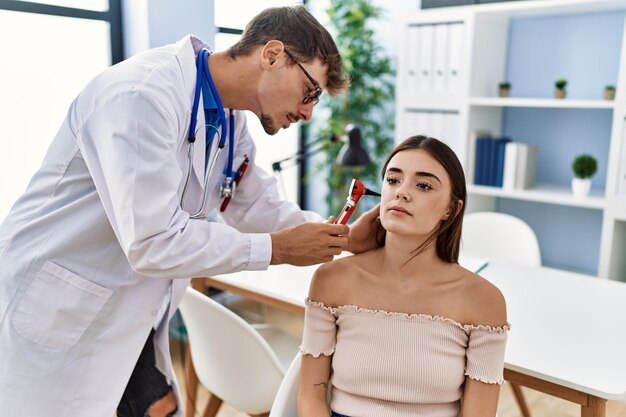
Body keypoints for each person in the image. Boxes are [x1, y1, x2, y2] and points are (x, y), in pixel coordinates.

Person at [0, 6, 381, 417]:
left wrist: (339, 237)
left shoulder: (227, 119)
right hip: (60, 301)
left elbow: (252, 201)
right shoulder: (142, 95)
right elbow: (154, 241)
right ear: (272, 54)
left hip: (130, 309)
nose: (308, 113)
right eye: (310, 92)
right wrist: (277, 249)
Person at [298, 136, 509, 417]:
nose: (401, 192)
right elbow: (309, 397)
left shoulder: (484, 301)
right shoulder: (332, 280)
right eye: (393, 180)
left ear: (451, 209)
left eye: (423, 185)